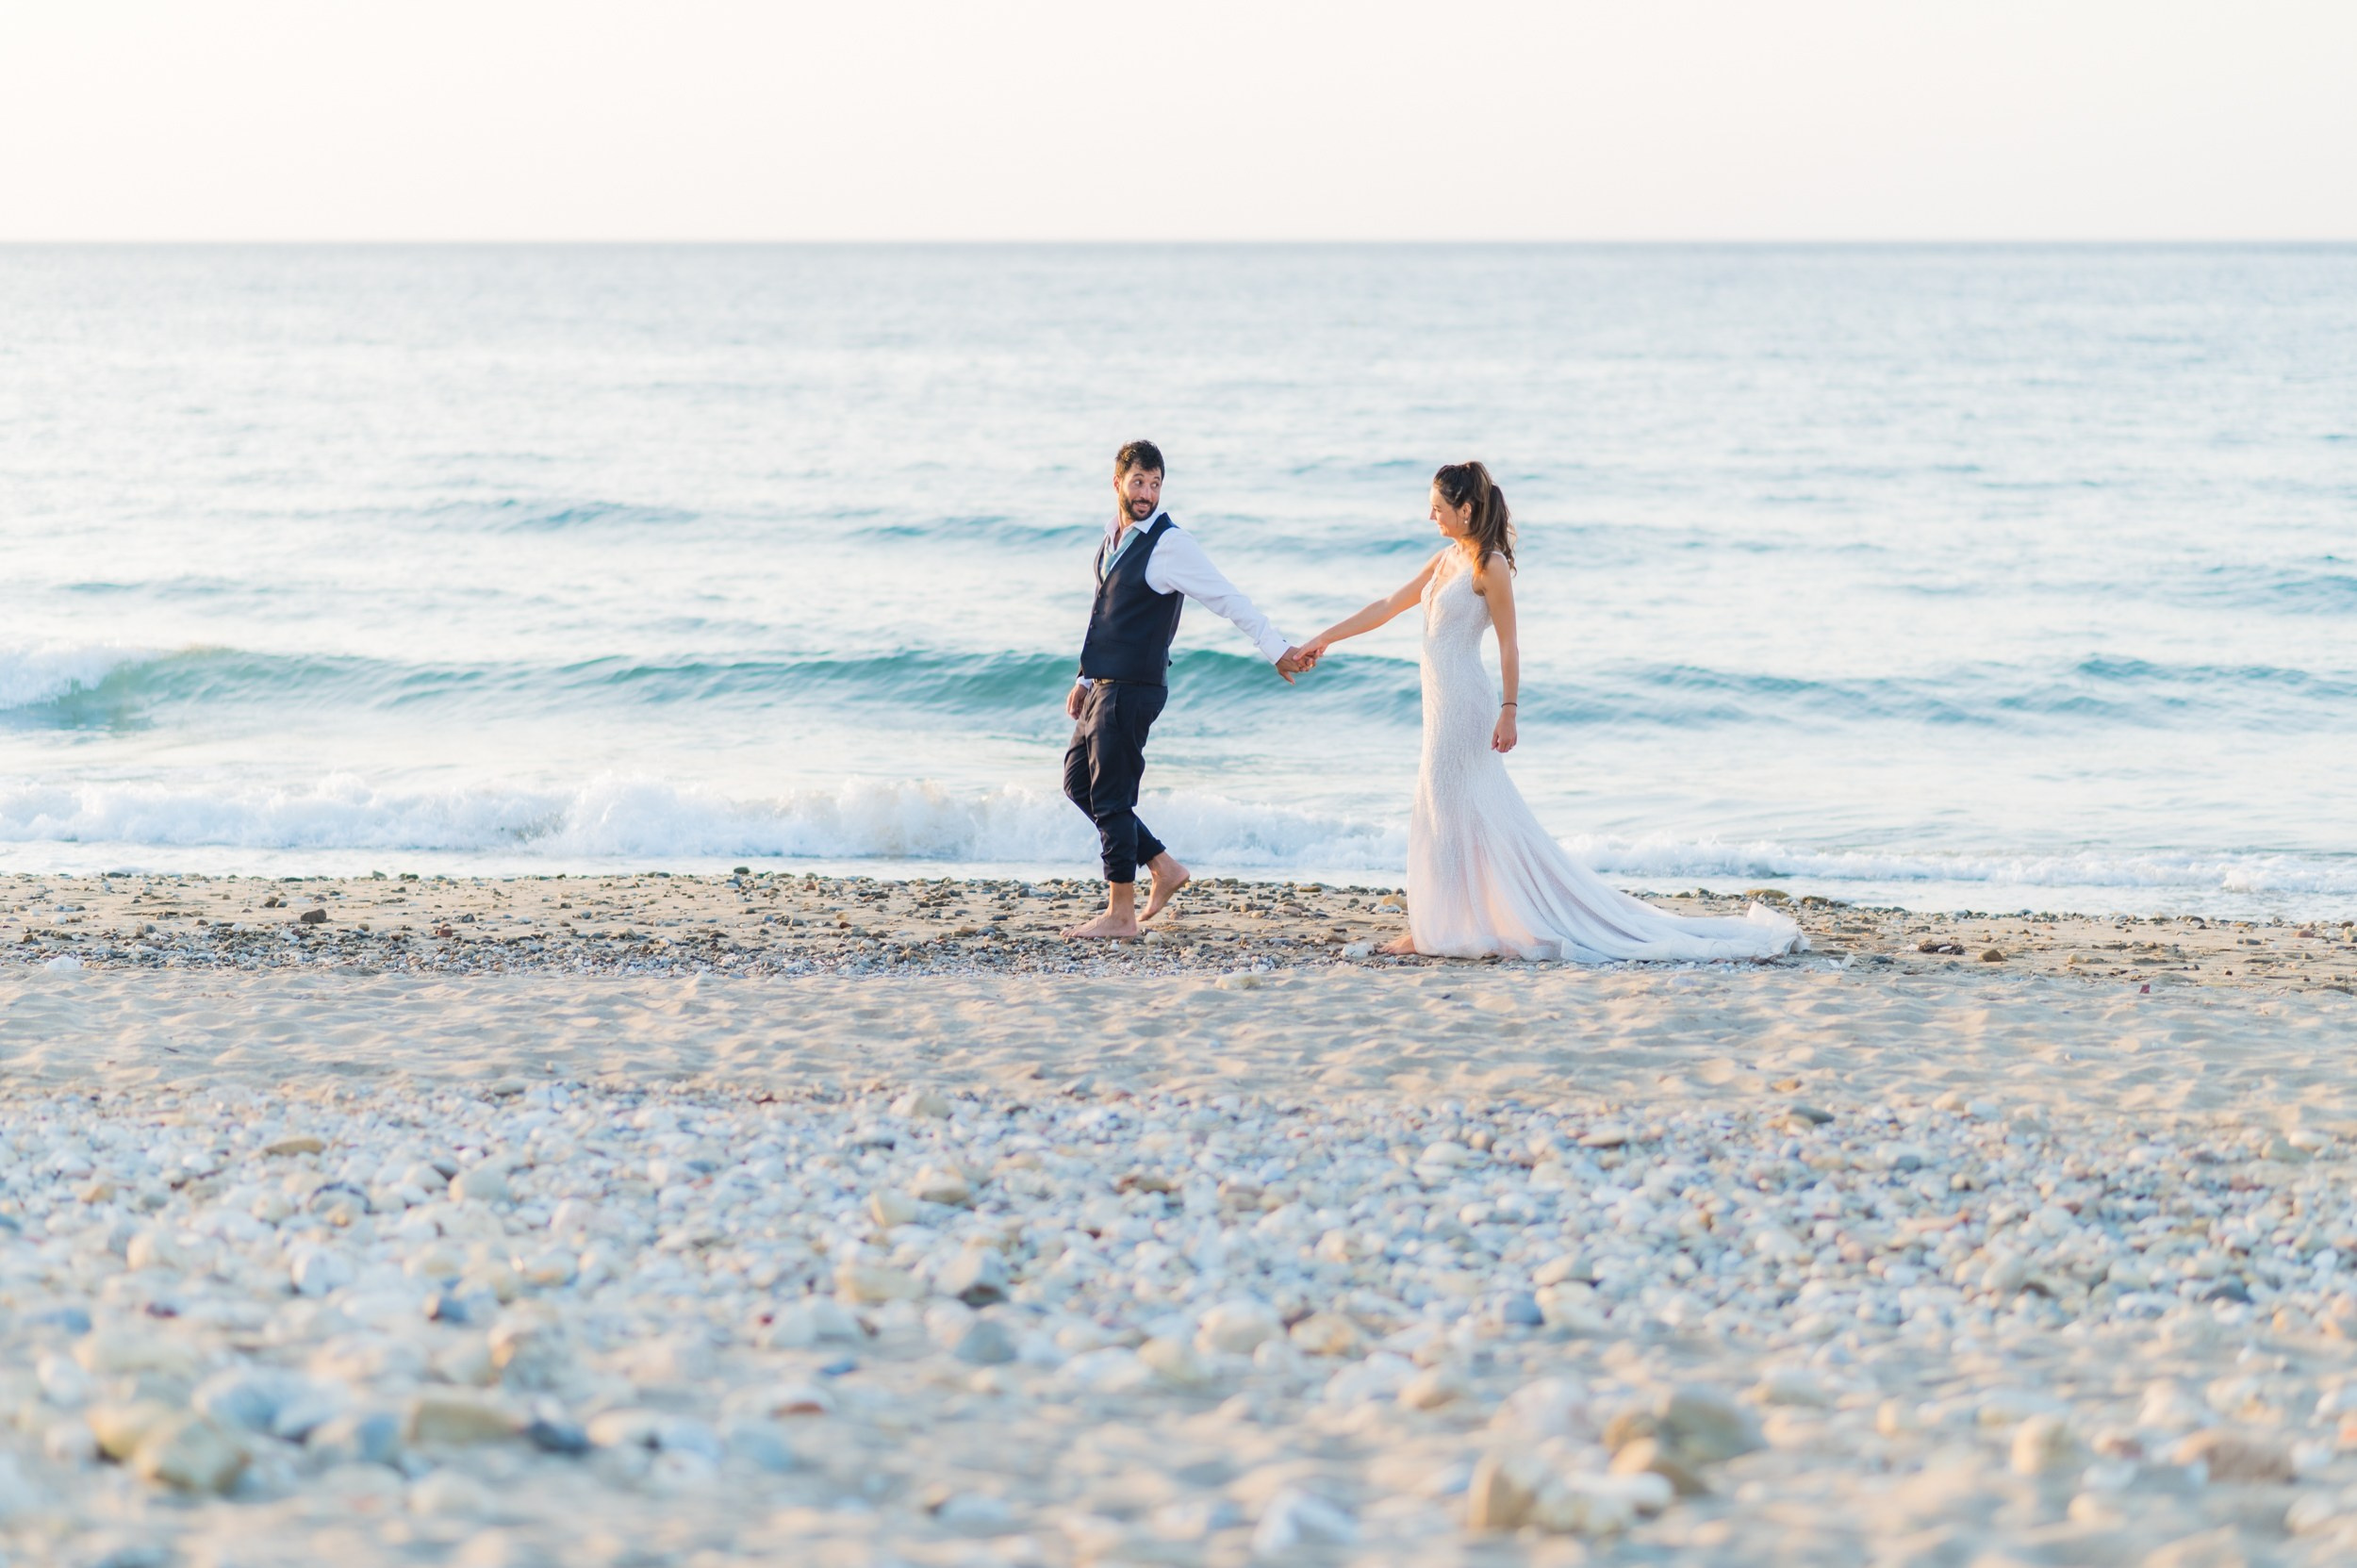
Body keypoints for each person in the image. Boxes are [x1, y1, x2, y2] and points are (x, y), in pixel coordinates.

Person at [1300, 460, 1803, 962]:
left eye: (1438, 509)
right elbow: (1388, 604)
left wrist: (1509, 710)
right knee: (1445, 811)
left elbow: (1509, 645)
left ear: (1467, 509)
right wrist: (1325, 637)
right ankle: (1441, 924)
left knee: (1448, 808)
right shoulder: (1444, 560)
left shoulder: (1488, 566)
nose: (1430, 517)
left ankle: (1443, 929)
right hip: (1439, 707)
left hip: (1466, 707)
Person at [1061, 439, 1318, 940]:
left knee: (1112, 797)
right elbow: (1104, 614)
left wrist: (1277, 649)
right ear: (1117, 483)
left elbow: (1227, 597)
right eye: (1139, 482)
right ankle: (1162, 865)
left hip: (1134, 686)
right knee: (1078, 783)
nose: (1147, 494)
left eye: (1155, 484)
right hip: (1103, 684)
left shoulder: (1170, 544)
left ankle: (1121, 915)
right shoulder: (1112, 537)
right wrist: (1084, 677)